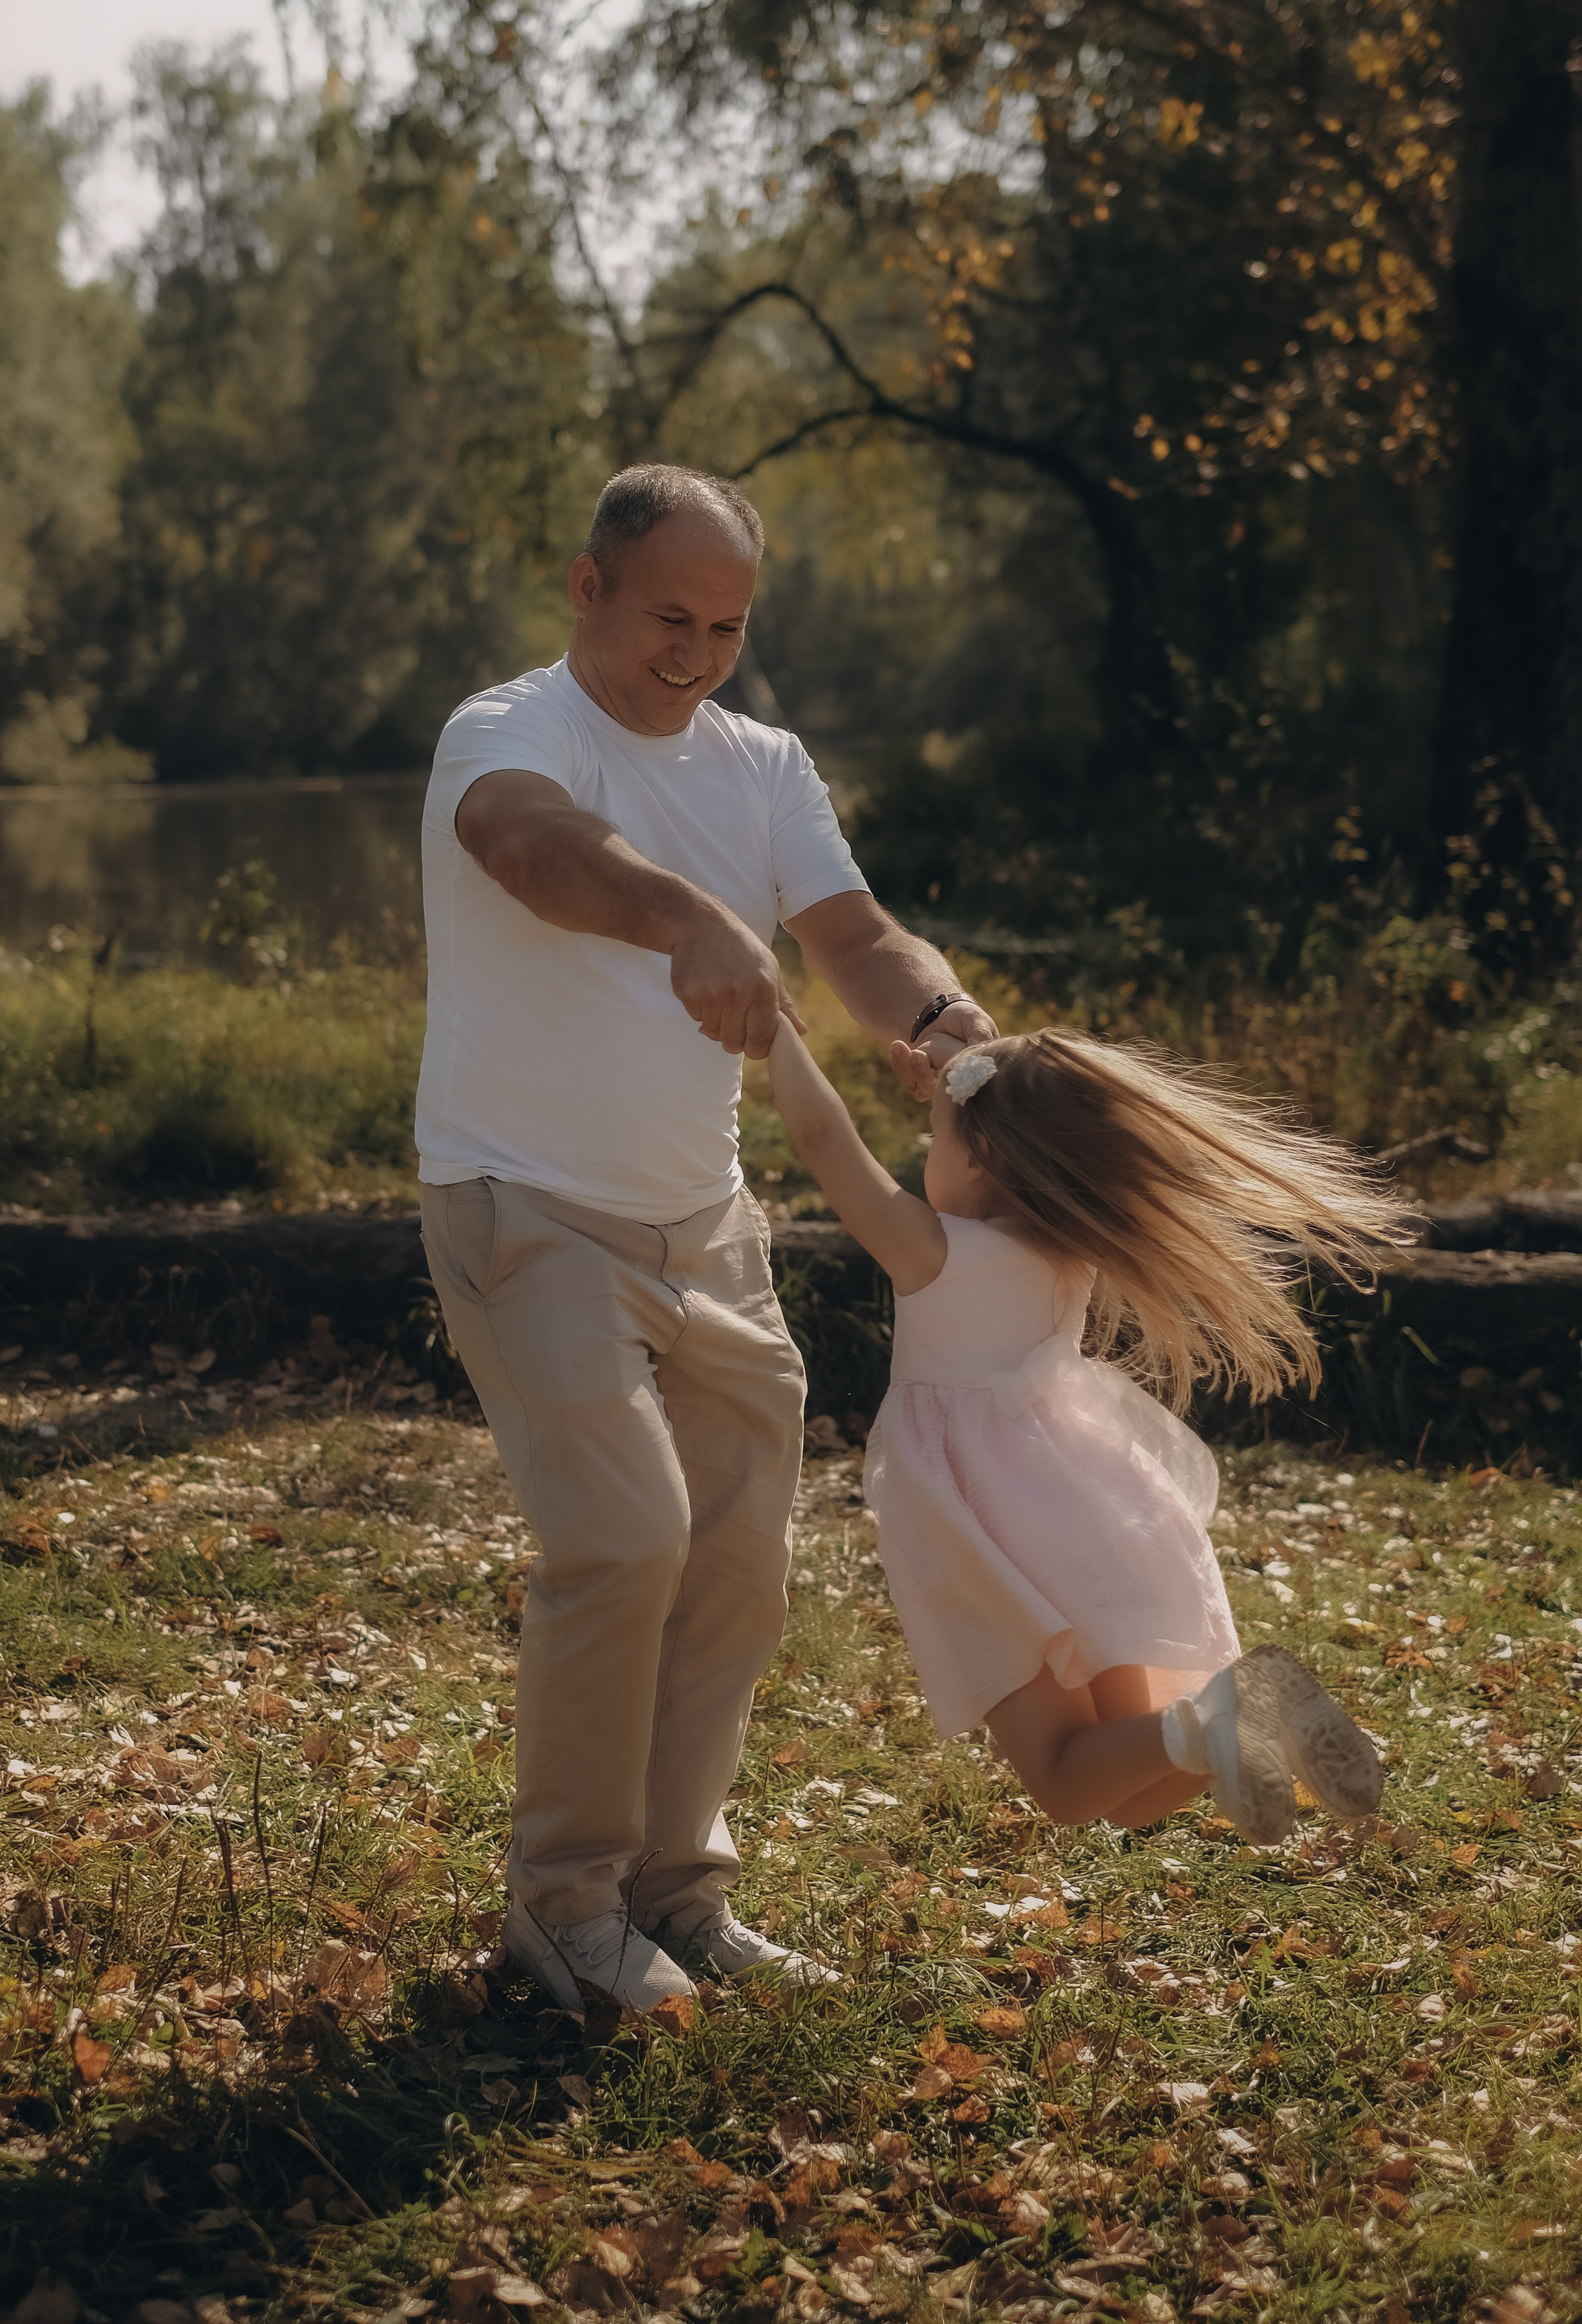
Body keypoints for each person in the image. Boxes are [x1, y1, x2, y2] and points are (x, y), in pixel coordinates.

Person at [416, 463, 996, 2013]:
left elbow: (855, 936)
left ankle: (675, 1898)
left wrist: (944, 1018)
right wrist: (686, 917)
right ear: (587, 586)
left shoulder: (764, 765)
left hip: (708, 1229)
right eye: (668, 617)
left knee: (737, 1568)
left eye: (726, 627)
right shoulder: (509, 731)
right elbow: (530, 847)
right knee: (624, 1542)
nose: (695, 653)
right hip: (525, 1207)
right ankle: (562, 1909)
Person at [766, 1021, 1410, 1839]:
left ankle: (1218, 1716)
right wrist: (970, 1085)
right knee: (1127, 1800)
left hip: (980, 1518)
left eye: (934, 1138)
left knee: (1067, 1788)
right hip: (1082, 1506)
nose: (927, 1154)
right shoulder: (1069, 1248)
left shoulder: (933, 1252)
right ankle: (1228, 1730)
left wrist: (776, 1026)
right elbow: (1029, 1109)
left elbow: (824, 1139)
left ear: (983, 1159)